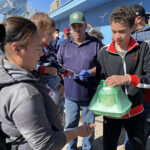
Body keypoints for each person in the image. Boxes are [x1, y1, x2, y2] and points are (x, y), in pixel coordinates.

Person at [0, 16, 95, 150]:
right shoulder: (25, 94)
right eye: (38, 48)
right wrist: (78, 132)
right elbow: (46, 144)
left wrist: (56, 90)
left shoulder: (15, 71)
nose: (41, 53)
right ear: (17, 50)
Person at [96, 5, 150, 150]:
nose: (117, 37)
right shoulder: (103, 52)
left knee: (138, 147)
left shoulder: (143, 48)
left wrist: (128, 78)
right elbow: (97, 83)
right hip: (111, 115)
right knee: (109, 146)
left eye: (122, 32)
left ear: (132, 28)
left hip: (136, 112)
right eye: (113, 31)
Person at [57, 11, 101, 150]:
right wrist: (64, 73)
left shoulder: (95, 43)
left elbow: (102, 66)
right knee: (70, 125)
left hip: (89, 94)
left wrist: (90, 72)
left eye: (80, 25)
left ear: (85, 26)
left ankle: (87, 147)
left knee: (88, 127)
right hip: (70, 94)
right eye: (74, 26)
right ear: (70, 27)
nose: (77, 29)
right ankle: (72, 148)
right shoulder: (64, 44)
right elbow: (57, 65)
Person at [124, 4, 150, 150]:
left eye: (129, 19)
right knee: (133, 140)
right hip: (136, 96)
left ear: (138, 18)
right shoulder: (129, 37)